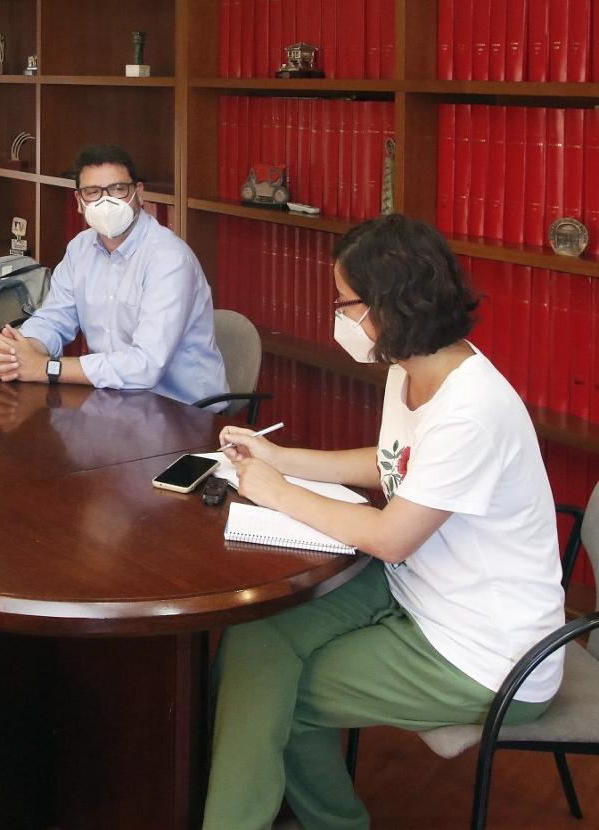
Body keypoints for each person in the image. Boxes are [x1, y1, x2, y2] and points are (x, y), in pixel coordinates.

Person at [203, 215, 564, 830]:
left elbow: (392, 537)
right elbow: (390, 463)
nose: (339, 316)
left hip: (485, 652)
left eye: (345, 302)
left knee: (263, 700)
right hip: (418, 593)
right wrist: (279, 456)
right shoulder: (410, 367)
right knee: (255, 642)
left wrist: (280, 492)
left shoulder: (471, 409)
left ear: (390, 306)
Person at [0, 145, 227, 406]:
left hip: (184, 412)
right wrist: (21, 351)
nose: (106, 201)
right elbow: (55, 318)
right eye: (93, 192)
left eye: (117, 189)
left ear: (139, 193)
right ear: (79, 202)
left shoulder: (169, 259)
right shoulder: (80, 248)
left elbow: (146, 365)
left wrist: (46, 367)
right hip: (116, 401)